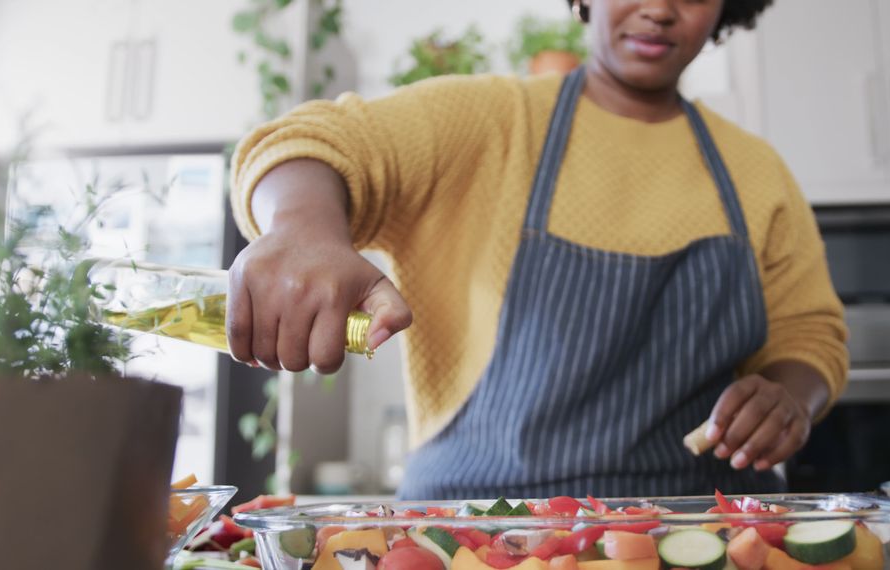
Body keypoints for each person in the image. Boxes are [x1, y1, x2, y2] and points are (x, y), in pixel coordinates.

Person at [227, 0, 848, 499]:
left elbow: (810, 334)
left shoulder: (755, 170)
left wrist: (789, 394)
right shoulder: (490, 121)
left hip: (698, 522)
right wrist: (301, 228)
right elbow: (314, 141)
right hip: (476, 524)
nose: (660, 9)